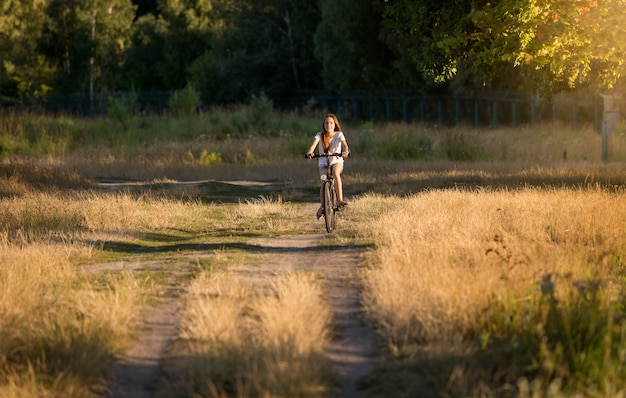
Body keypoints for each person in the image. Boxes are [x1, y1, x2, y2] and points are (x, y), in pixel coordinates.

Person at [305, 113, 351, 220]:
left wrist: (346, 152)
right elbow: (312, 146)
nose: (329, 125)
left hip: (337, 161)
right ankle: (322, 207)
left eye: (331, 123)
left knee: (335, 173)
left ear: (335, 125)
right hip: (323, 163)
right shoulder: (319, 135)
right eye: (326, 123)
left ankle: (340, 200)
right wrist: (310, 153)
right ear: (323, 124)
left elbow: (345, 146)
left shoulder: (339, 135)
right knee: (324, 181)